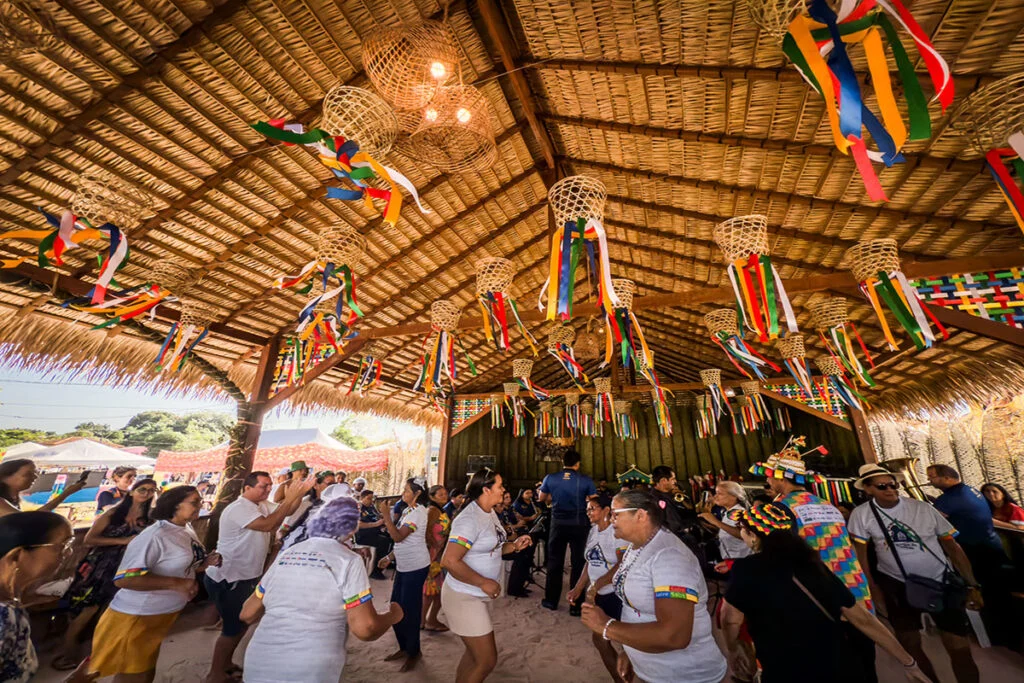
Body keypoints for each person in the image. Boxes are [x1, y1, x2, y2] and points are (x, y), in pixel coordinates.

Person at [722, 501, 930, 683]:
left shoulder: (746, 569)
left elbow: (731, 620)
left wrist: (733, 649)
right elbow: (862, 619)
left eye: (742, 529)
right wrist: (908, 662)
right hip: (839, 666)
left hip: (787, 670)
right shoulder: (812, 565)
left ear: (753, 535)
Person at [240, 497, 403, 683]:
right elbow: (366, 628)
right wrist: (393, 615)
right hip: (309, 668)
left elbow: (247, 613)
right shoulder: (348, 561)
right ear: (352, 528)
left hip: (259, 663)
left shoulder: (287, 554)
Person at [750, 442, 877, 680]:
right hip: (854, 592)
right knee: (863, 666)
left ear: (780, 478)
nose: (768, 481)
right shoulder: (827, 505)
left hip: (818, 597)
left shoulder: (780, 509)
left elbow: (776, 554)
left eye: (769, 475)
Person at [849, 464, 982, 683]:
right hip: (896, 584)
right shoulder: (861, 515)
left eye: (893, 485)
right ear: (868, 489)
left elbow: (952, 547)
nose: (891, 489)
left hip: (940, 580)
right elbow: (861, 556)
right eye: (882, 486)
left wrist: (972, 584)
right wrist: (872, 589)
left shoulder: (923, 508)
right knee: (910, 645)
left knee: (959, 647)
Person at [579, 489, 726, 683]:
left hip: (684, 676)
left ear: (640, 515)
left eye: (615, 514)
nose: (610, 518)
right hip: (653, 671)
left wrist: (606, 626)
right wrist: (631, 649)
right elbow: (639, 608)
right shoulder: (637, 545)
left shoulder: (670, 557)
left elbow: (675, 636)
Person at [89, 485, 221, 682]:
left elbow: (180, 566)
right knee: (134, 675)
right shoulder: (155, 536)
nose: (199, 506)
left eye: (200, 502)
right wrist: (177, 584)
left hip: (161, 614)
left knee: (146, 669)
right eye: (194, 502)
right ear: (174, 506)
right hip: (136, 616)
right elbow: (125, 579)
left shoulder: (185, 529)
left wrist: (205, 563)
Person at [202, 471, 313, 683]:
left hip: (244, 576)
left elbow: (287, 511)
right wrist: (289, 498)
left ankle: (225, 664)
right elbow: (269, 525)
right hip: (229, 578)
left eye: (270, 485)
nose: (268, 489)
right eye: (263, 486)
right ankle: (215, 674)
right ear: (247, 488)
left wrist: (299, 494)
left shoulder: (260, 504)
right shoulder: (239, 508)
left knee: (241, 625)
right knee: (233, 628)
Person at [53, 479, 157, 671]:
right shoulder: (114, 514)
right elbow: (89, 539)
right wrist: (123, 541)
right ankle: (67, 654)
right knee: (87, 610)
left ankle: (99, 654)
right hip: (99, 567)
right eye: (142, 489)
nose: (146, 493)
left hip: (126, 567)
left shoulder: (150, 518)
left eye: (151, 490)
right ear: (132, 491)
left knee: (110, 611)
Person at [441, 468, 533, 683]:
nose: (504, 490)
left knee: (474, 654)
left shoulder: (489, 512)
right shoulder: (469, 519)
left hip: (477, 595)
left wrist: (514, 546)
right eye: (500, 486)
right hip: (464, 596)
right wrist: (483, 582)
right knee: (486, 660)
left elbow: (493, 547)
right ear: (486, 489)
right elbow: (449, 560)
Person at [0, 511, 78, 682]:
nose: (68, 553)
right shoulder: (5, 617)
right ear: (17, 555)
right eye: (62, 546)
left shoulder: (9, 602)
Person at [566, 493, 627, 683]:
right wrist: (578, 587)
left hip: (616, 595)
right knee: (600, 639)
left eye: (592, 509)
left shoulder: (616, 532)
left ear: (607, 510)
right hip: (599, 595)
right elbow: (590, 560)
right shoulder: (593, 531)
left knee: (628, 642)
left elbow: (622, 564)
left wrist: (596, 585)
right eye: (587, 510)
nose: (588, 512)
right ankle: (620, 679)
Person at [377, 478, 431, 672]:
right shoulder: (409, 510)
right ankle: (404, 647)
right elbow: (402, 542)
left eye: (407, 490)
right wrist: (389, 557)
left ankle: (414, 652)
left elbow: (398, 536)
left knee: (409, 610)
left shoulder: (418, 513)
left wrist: (386, 515)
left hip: (415, 567)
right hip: (403, 566)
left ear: (417, 493)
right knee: (395, 606)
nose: (403, 493)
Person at [538, 449, 595, 613]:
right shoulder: (586, 480)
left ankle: (551, 601)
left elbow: (541, 498)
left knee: (554, 561)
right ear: (578, 463)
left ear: (562, 462)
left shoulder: (550, 478)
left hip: (558, 523)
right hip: (580, 524)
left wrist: (554, 497)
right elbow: (593, 501)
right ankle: (575, 606)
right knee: (578, 563)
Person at [0, 459, 87, 517]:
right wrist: (66, 493)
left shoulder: (13, 498)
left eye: (35, 473)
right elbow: (26, 520)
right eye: (28, 474)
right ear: (5, 477)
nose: (35, 477)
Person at [698, 481, 751, 564]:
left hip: (742, 561)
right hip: (732, 560)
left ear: (734, 496)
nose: (715, 496)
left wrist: (715, 522)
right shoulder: (727, 512)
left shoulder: (739, 513)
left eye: (720, 494)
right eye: (716, 493)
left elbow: (744, 535)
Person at [423, 484, 450, 631]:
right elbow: (426, 532)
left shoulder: (440, 510)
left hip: (438, 552)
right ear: (432, 497)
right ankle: (425, 620)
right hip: (432, 554)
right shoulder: (432, 511)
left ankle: (429, 619)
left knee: (436, 590)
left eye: (445, 494)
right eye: (440, 495)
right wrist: (435, 547)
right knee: (431, 590)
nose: (444, 497)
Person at [498, 491, 532, 597]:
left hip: (508, 541)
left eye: (509, 497)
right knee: (521, 556)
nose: (509, 500)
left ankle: (521, 581)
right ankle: (514, 588)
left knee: (527, 551)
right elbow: (502, 530)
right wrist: (514, 529)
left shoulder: (509, 510)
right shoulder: (496, 514)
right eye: (506, 498)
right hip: (500, 547)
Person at [355, 489, 391, 579]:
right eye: (369, 498)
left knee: (391, 537)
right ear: (362, 498)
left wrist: (382, 519)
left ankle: (386, 561)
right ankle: (376, 571)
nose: (371, 501)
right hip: (363, 535)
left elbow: (377, 517)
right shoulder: (358, 508)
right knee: (383, 542)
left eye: (372, 499)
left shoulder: (371, 507)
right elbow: (358, 524)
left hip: (375, 531)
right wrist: (376, 524)